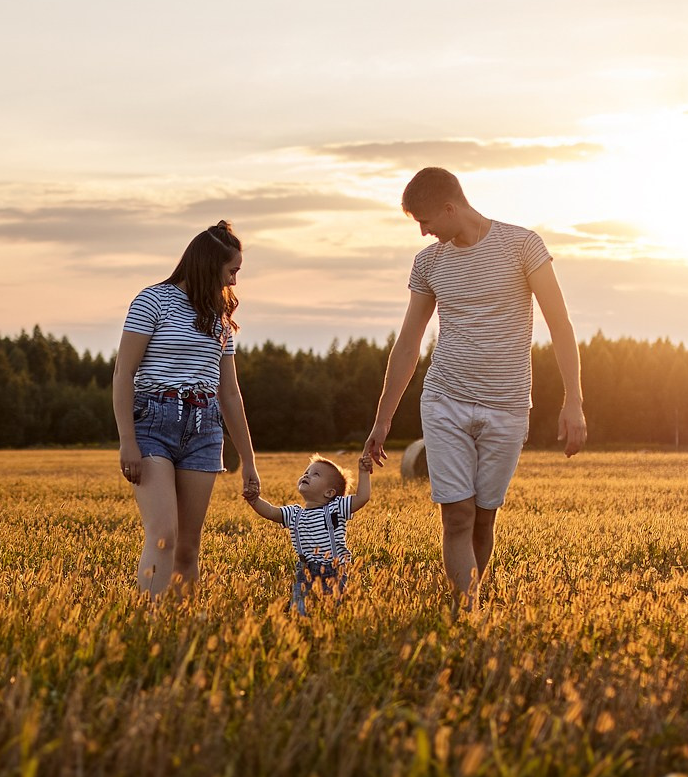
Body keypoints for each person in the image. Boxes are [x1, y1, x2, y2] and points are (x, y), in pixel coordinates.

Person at [362, 167, 586, 611]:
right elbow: (407, 345)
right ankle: (468, 615)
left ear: (450, 207)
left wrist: (573, 400)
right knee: (458, 515)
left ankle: (470, 608)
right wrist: (382, 420)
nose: (424, 232)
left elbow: (560, 326)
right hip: (445, 401)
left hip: (507, 407)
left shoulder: (523, 246)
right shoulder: (429, 263)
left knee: (484, 518)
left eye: (426, 221)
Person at [113, 221, 262, 596]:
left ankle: (182, 631)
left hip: (204, 429)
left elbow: (230, 394)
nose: (234, 281)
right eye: (232, 271)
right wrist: (126, 441)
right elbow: (123, 372)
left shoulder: (220, 319)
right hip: (152, 425)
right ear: (209, 265)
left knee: (187, 547)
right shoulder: (152, 301)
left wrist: (249, 460)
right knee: (163, 534)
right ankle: (152, 623)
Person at [244, 452, 374, 615]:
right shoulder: (294, 513)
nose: (307, 475)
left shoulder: (336, 508)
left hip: (332, 571)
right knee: (300, 611)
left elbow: (362, 497)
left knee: (332, 611)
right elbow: (271, 512)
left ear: (329, 493)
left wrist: (363, 472)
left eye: (316, 474)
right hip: (304, 571)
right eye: (307, 472)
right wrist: (254, 500)